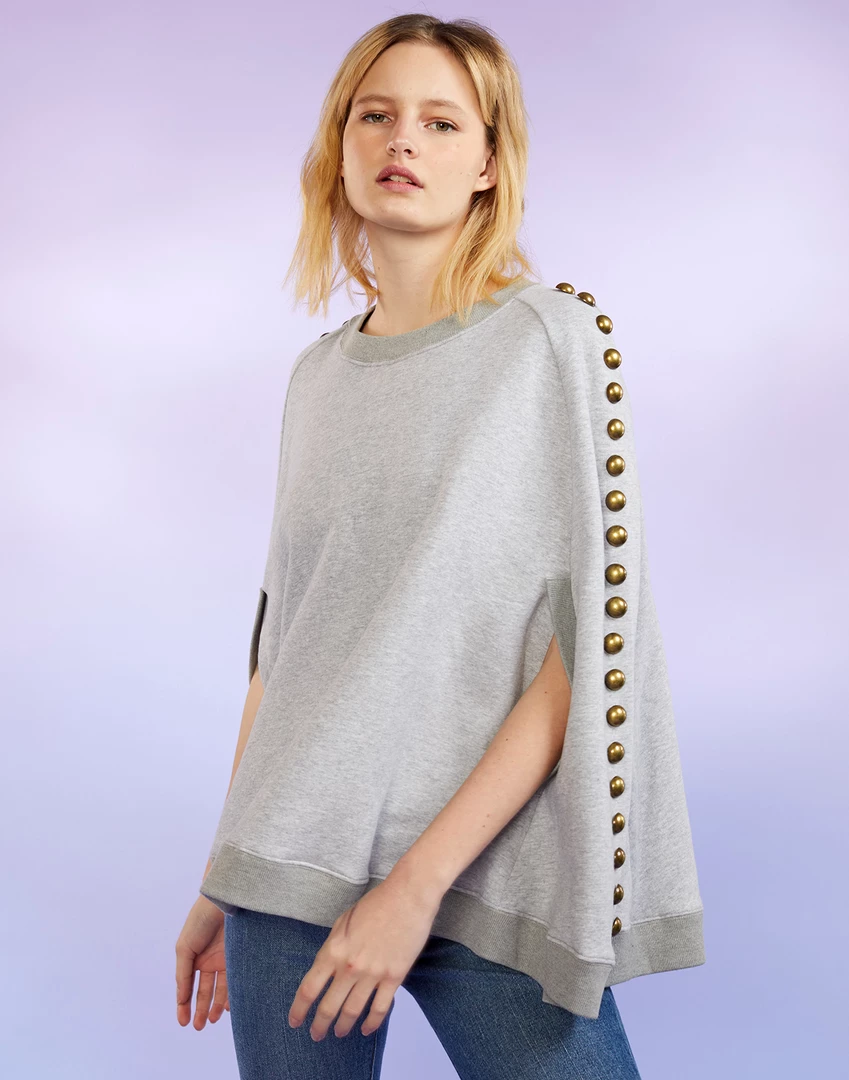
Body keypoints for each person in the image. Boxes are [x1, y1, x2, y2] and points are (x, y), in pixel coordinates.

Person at [175, 13, 705, 1079]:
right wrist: (222, 875)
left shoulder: (552, 342)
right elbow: (283, 648)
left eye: (440, 121)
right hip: (287, 865)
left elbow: (585, 653)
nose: (402, 141)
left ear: (489, 163)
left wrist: (413, 889)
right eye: (374, 116)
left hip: (490, 875)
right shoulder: (317, 378)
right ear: (340, 148)